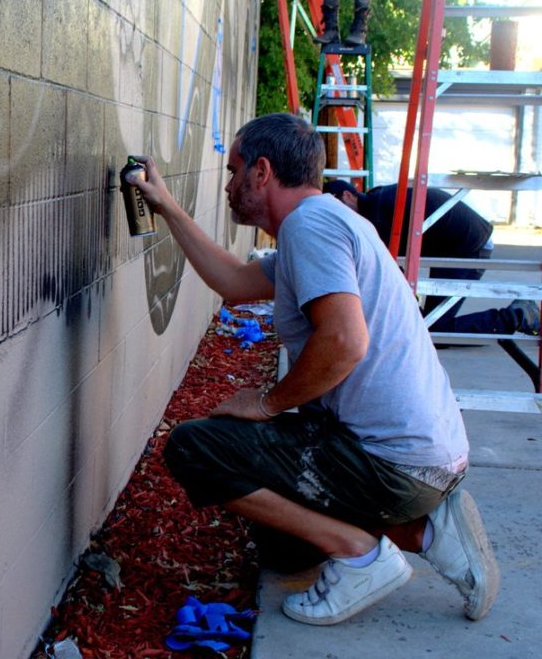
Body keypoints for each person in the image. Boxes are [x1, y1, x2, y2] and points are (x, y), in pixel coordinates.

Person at [127, 113, 499, 626]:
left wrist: (264, 402)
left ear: (262, 171)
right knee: (285, 548)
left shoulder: (309, 227)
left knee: (195, 448)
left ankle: (362, 556)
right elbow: (234, 281)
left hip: (393, 463)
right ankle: (427, 530)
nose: (231, 186)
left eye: (234, 172)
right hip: (420, 458)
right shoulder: (327, 222)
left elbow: (345, 341)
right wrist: (167, 207)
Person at [323, 179, 539, 336]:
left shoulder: (378, 213)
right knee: (427, 324)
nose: (338, 219)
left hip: (469, 247)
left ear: (349, 195)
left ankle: (518, 316)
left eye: (337, 208)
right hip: (454, 245)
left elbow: (390, 271)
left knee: (434, 328)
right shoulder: (377, 201)